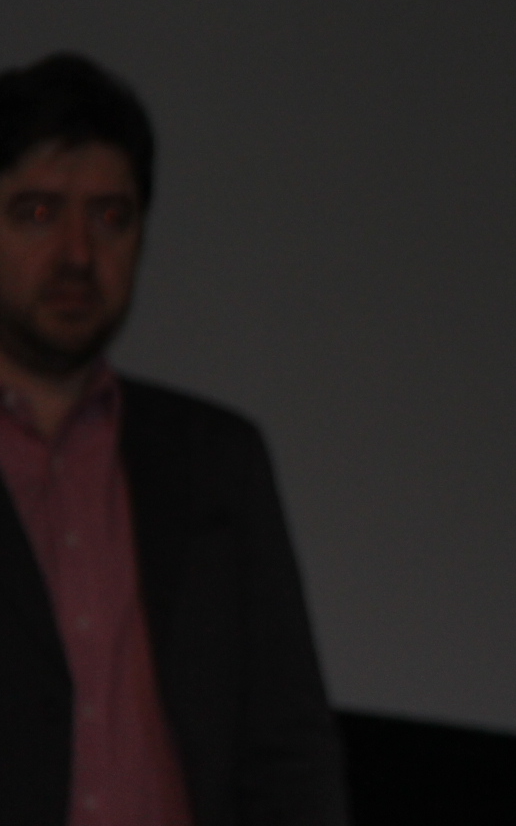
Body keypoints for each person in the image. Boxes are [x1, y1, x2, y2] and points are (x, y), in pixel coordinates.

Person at [0, 53, 345, 826]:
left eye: (111, 217)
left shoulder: (218, 462)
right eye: (38, 212)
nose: (78, 253)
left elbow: (288, 751)